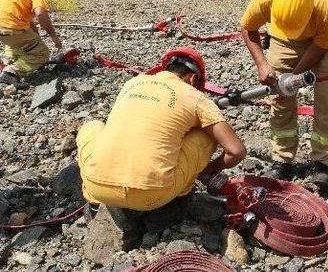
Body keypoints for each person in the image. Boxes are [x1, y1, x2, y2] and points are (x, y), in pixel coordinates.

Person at [76, 47, 246, 239]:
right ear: (192, 79)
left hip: (97, 187)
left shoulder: (133, 83)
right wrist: (205, 170)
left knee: (92, 126)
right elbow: (237, 151)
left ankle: (93, 202)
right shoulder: (195, 96)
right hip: (155, 195)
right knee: (206, 135)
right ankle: (179, 198)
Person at [240, 0, 328, 191]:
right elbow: (248, 29)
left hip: (322, 42)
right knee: (279, 99)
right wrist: (262, 65)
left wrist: (293, 77)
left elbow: (320, 47)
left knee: (326, 101)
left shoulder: (327, 9)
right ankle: (282, 158)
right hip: (281, 40)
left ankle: (324, 162)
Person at [0, 0, 62, 88]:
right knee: (42, 54)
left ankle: (7, 61)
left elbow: (30, 22)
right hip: (11, 29)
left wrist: (37, 39)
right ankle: (11, 72)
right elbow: (40, 14)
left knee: (20, 44)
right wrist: (55, 38)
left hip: (5, 30)